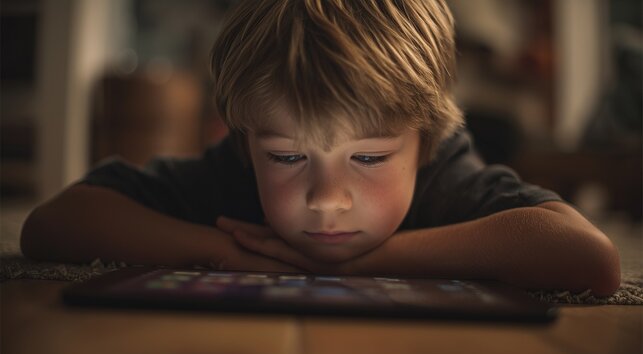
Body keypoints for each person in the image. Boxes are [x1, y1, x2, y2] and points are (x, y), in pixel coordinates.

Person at [21, 0, 620, 296]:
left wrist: (376, 260)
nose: (326, 200)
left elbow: (589, 258)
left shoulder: (445, 170)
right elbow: (53, 224)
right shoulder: (231, 170)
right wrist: (220, 250)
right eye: (285, 158)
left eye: (369, 158)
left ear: (424, 139)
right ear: (245, 137)